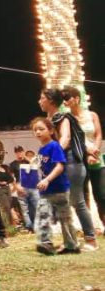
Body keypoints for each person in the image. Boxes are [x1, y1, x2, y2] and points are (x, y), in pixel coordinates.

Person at [38, 88, 97, 251]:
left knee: (77, 202)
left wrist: (53, 154)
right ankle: (69, 242)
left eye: (42, 98)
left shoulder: (62, 116)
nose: (39, 101)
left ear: (50, 100)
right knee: (63, 203)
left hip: (71, 163)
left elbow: (66, 138)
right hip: (62, 164)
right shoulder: (49, 120)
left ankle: (91, 240)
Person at [32, 117, 79, 254]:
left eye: (41, 129)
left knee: (65, 218)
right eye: (35, 130)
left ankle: (72, 245)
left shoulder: (54, 146)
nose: (38, 132)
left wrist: (47, 180)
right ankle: (45, 242)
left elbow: (60, 166)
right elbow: (41, 168)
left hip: (60, 189)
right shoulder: (41, 150)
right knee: (43, 213)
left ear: (51, 130)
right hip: (46, 191)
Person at [64, 87, 104, 234]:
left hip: (96, 157)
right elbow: (73, 139)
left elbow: (99, 134)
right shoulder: (67, 118)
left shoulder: (92, 115)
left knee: (101, 193)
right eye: (64, 98)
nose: (66, 101)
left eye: (67, 97)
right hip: (79, 158)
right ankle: (90, 228)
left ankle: (103, 223)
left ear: (77, 98)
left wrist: (95, 151)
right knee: (83, 194)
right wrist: (88, 152)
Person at [12, 148, 40, 233]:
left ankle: (37, 226)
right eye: (17, 152)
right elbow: (11, 177)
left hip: (33, 185)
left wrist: (26, 158)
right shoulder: (13, 164)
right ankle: (29, 227)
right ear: (15, 153)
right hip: (21, 185)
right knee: (25, 209)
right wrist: (16, 187)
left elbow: (36, 165)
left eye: (20, 151)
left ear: (23, 152)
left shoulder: (28, 161)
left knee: (36, 207)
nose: (19, 154)